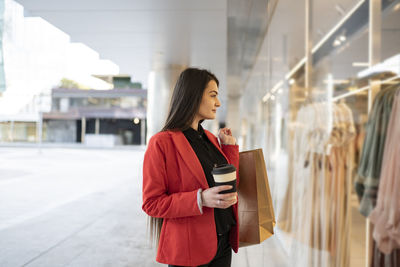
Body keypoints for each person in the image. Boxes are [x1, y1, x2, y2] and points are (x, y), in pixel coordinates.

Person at [142, 67, 240, 267]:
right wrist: (200, 199)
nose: (218, 103)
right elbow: (151, 203)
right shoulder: (161, 143)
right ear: (193, 96)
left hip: (222, 243)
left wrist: (229, 149)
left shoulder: (212, 139)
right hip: (189, 249)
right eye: (213, 95)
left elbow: (229, 183)